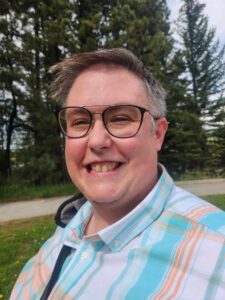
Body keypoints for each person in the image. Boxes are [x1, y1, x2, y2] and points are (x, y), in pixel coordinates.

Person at [11, 48, 225, 300]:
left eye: (120, 118)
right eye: (80, 121)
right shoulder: (73, 221)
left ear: (157, 133)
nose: (97, 141)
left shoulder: (216, 258)